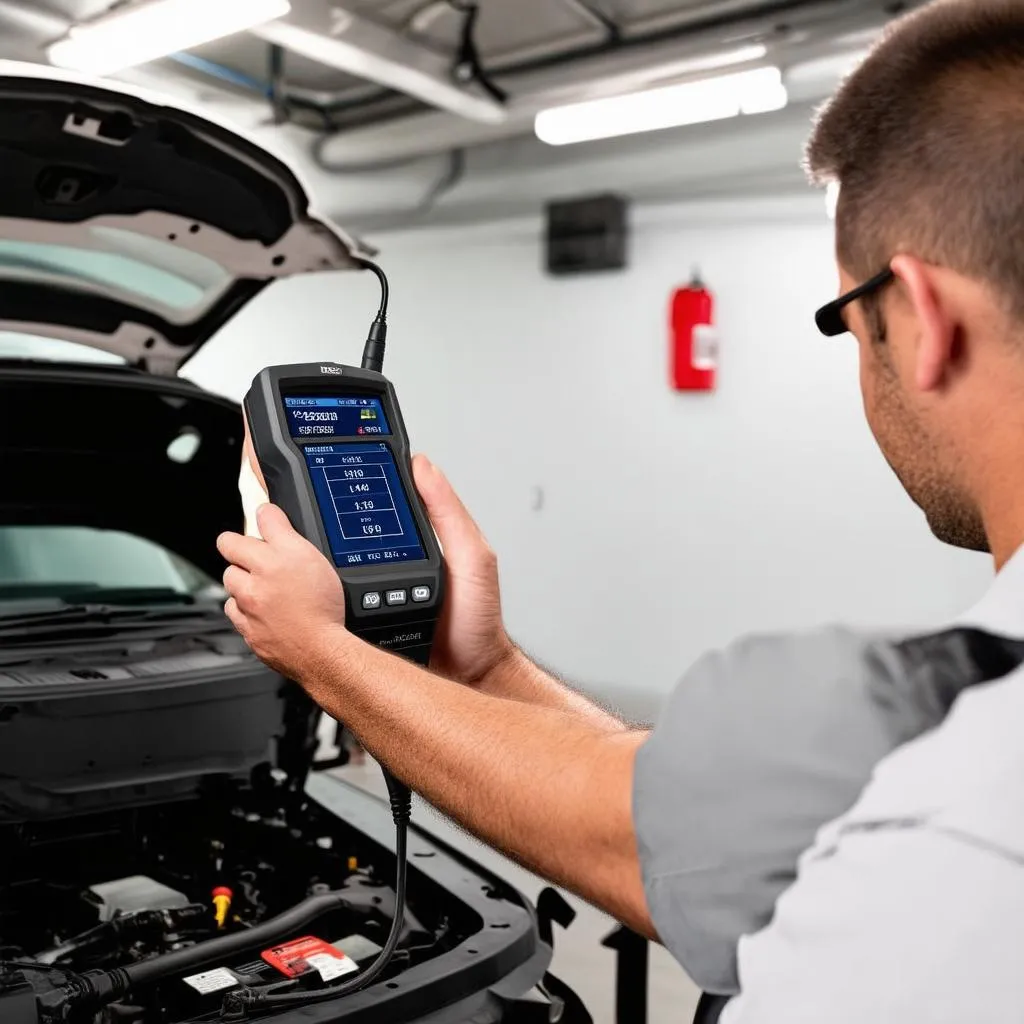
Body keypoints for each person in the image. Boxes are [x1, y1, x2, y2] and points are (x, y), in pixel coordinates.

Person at [219, 1, 1024, 1017]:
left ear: (922, 319)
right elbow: (675, 826)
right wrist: (484, 667)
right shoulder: (951, 741)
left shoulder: (954, 786)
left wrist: (320, 651)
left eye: (849, 324)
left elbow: (638, 845)